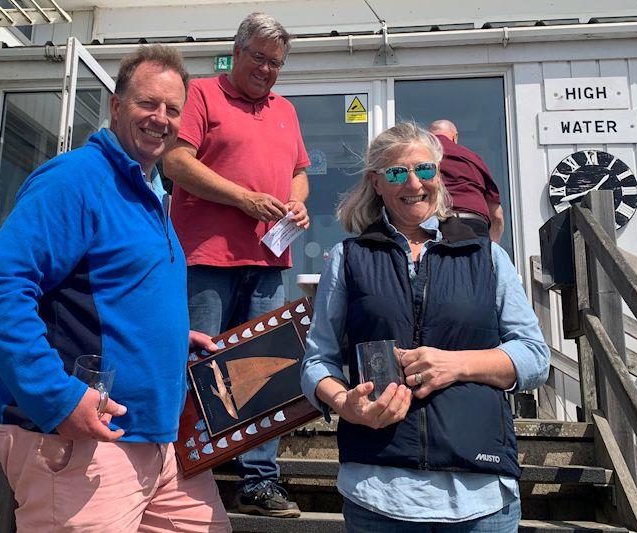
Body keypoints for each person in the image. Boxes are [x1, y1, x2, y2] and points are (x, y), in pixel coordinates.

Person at [0, 45, 231, 532]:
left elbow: (113, 290)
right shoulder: (76, 179)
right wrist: (58, 398)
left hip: (160, 442)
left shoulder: (152, 192)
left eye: (173, 110)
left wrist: (174, 339)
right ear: (115, 105)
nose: (161, 118)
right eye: (147, 103)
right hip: (84, 445)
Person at [300, 123, 549, 532]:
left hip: (480, 493)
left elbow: (535, 358)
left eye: (425, 169)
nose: (413, 183)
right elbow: (318, 361)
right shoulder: (348, 257)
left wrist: (455, 365)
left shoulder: (487, 256)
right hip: (377, 491)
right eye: (397, 173)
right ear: (376, 183)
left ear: (439, 174)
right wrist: (345, 404)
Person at [162, 12, 309, 519]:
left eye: (277, 63)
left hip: (268, 259)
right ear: (238, 52)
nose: (267, 70)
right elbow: (176, 163)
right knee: (194, 364)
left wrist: (297, 202)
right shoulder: (202, 93)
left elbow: (298, 174)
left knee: (266, 370)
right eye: (260, 58)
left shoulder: (286, 109)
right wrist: (245, 200)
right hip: (206, 256)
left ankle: (259, 482)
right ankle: (178, 470)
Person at [428, 119, 504, 243]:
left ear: (428, 139)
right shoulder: (473, 158)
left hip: (437, 223)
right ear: (454, 137)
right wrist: (491, 248)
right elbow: (497, 214)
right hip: (474, 225)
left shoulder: (424, 159)